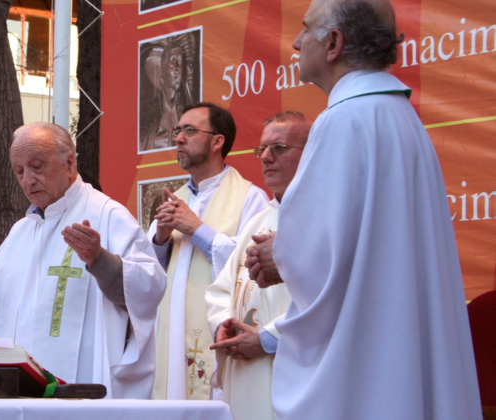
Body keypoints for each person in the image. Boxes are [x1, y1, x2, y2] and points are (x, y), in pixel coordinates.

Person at [245, 0, 481, 418]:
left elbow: (318, 256)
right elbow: (365, 239)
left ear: (333, 43)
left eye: (306, 29)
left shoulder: (343, 119)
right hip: (395, 333)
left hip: (367, 358)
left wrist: (278, 255)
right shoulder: (400, 115)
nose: (296, 42)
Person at [0, 123, 166, 399]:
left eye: (36, 167)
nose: (28, 180)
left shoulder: (108, 215)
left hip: (85, 382)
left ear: (69, 162)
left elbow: (149, 288)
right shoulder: (21, 231)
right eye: (19, 171)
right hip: (25, 391)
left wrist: (99, 260)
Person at [148, 102, 269, 400]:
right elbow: (151, 275)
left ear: (217, 142)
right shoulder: (175, 199)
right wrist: (160, 239)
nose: (178, 139)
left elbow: (251, 269)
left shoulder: (250, 198)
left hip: (217, 331)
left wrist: (197, 230)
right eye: (178, 131)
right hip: (172, 332)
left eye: (190, 131)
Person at [205, 111, 311, 420]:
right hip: (244, 372)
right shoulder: (258, 221)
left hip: (294, 374)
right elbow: (221, 290)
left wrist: (268, 338)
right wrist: (223, 325)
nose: (265, 157)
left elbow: (330, 296)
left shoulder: (323, 220)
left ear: (312, 153)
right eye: (262, 149)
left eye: (278, 148)